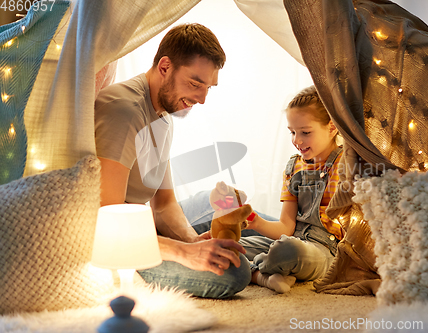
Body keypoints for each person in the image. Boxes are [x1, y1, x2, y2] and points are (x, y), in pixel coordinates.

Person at [94, 23, 250, 298]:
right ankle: (266, 263)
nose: (202, 99)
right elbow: (109, 222)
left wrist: (192, 240)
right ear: (165, 67)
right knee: (235, 273)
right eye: (195, 83)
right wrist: (184, 252)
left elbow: (164, 204)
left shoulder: (164, 112)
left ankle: (288, 245)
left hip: (145, 223)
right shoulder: (125, 111)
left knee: (232, 209)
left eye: (208, 87)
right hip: (120, 241)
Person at [240, 86, 344, 293]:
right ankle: (262, 276)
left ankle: (255, 269)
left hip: (325, 251)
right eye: (292, 132)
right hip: (293, 237)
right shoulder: (293, 168)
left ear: (332, 127)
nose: (297, 140)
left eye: (305, 132)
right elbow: (286, 227)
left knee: (288, 251)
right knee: (227, 244)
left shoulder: (346, 164)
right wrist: (256, 222)